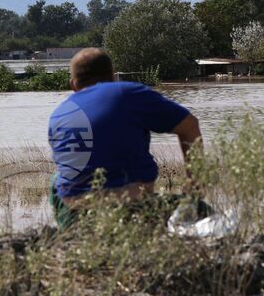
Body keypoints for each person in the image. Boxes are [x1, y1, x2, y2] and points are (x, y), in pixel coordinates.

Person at [48, 48, 201, 227]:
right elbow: (190, 126)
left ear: (73, 85)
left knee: (56, 177)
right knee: (202, 210)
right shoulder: (127, 93)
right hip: (131, 208)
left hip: (74, 213)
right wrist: (194, 187)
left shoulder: (58, 113)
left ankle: (69, 231)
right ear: (112, 76)